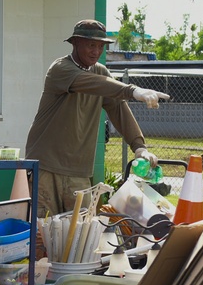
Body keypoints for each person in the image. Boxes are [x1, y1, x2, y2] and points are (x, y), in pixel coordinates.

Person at [25, 19, 168, 216]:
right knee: (42, 230)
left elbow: (118, 107)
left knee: (79, 235)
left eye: (101, 46)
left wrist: (139, 147)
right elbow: (93, 84)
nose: (96, 51)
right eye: (91, 45)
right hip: (46, 168)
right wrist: (133, 90)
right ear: (75, 43)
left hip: (79, 172)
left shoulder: (100, 72)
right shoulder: (60, 69)